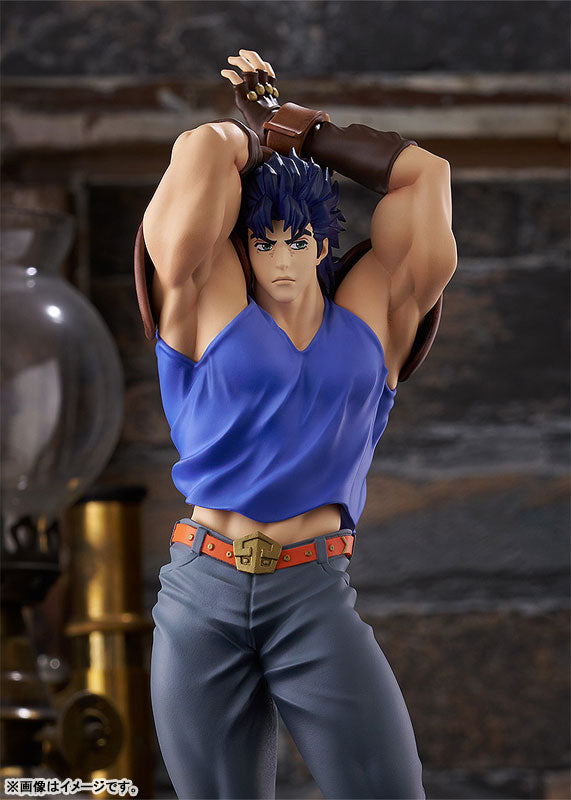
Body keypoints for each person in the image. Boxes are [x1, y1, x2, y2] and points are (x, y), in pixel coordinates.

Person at [134, 49, 456, 800]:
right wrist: (253, 135)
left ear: (322, 243)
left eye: (298, 241)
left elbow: (425, 176)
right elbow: (199, 152)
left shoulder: (372, 317)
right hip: (202, 588)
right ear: (244, 247)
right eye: (263, 241)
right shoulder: (209, 301)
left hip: (311, 589)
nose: (281, 259)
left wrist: (301, 130)